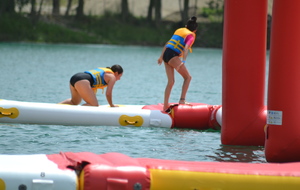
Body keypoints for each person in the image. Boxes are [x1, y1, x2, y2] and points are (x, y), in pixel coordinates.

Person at [157, 16, 198, 111]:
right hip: (173, 55)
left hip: (166, 54)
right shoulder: (190, 35)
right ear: (195, 30)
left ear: (185, 26)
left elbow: (168, 43)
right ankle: (182, 100)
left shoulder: (179, 30)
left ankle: (165, 106)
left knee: (171, 82)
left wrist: (160, 56)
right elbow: (186, 48)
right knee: (188, 77)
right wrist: (183, 61)